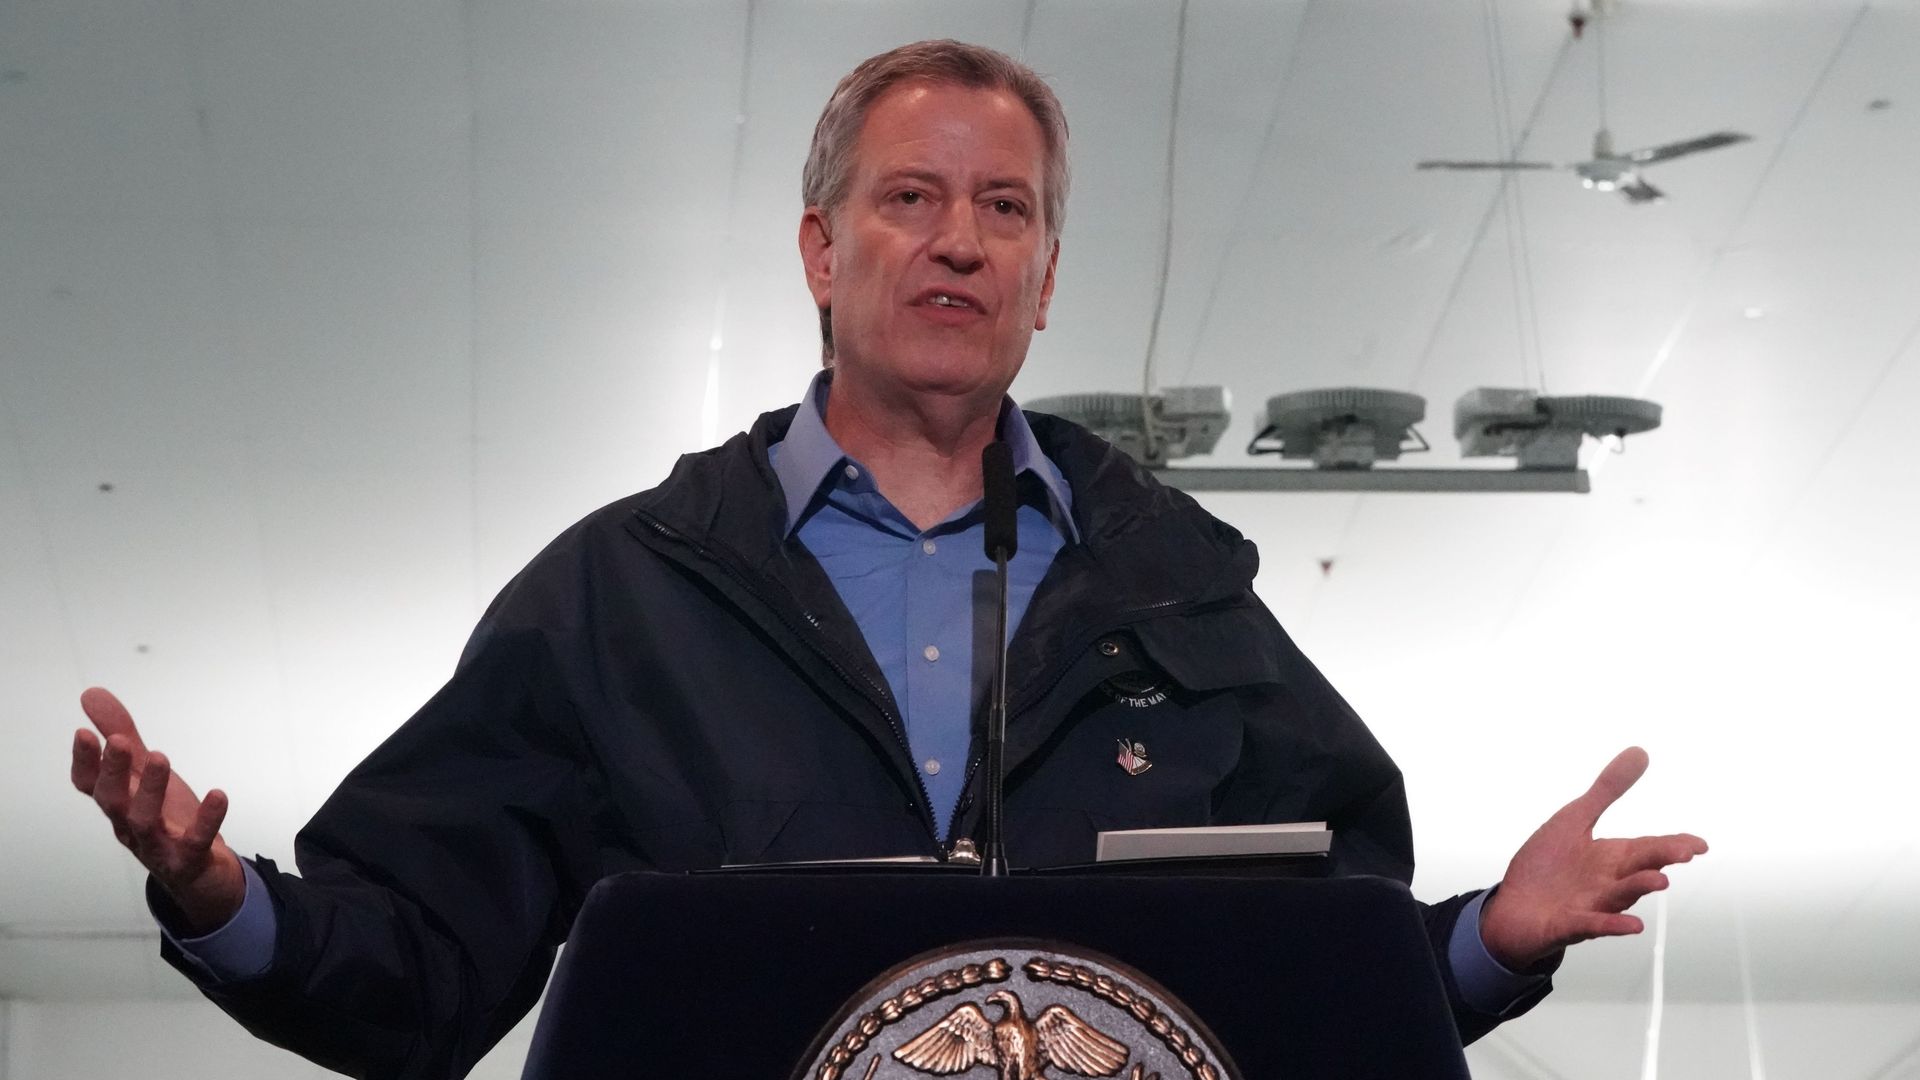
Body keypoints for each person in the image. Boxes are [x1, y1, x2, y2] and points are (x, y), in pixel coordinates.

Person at [68, 39, 1706, 1080]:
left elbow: (1325, 983)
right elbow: (416, 965)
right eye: (910, 196)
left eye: (1007, 209)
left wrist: (1494, 935)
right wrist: (220, 901)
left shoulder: (1183, 594)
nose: (959, 240)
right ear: (819, 248)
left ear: (1047, 276)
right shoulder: (623, 597)